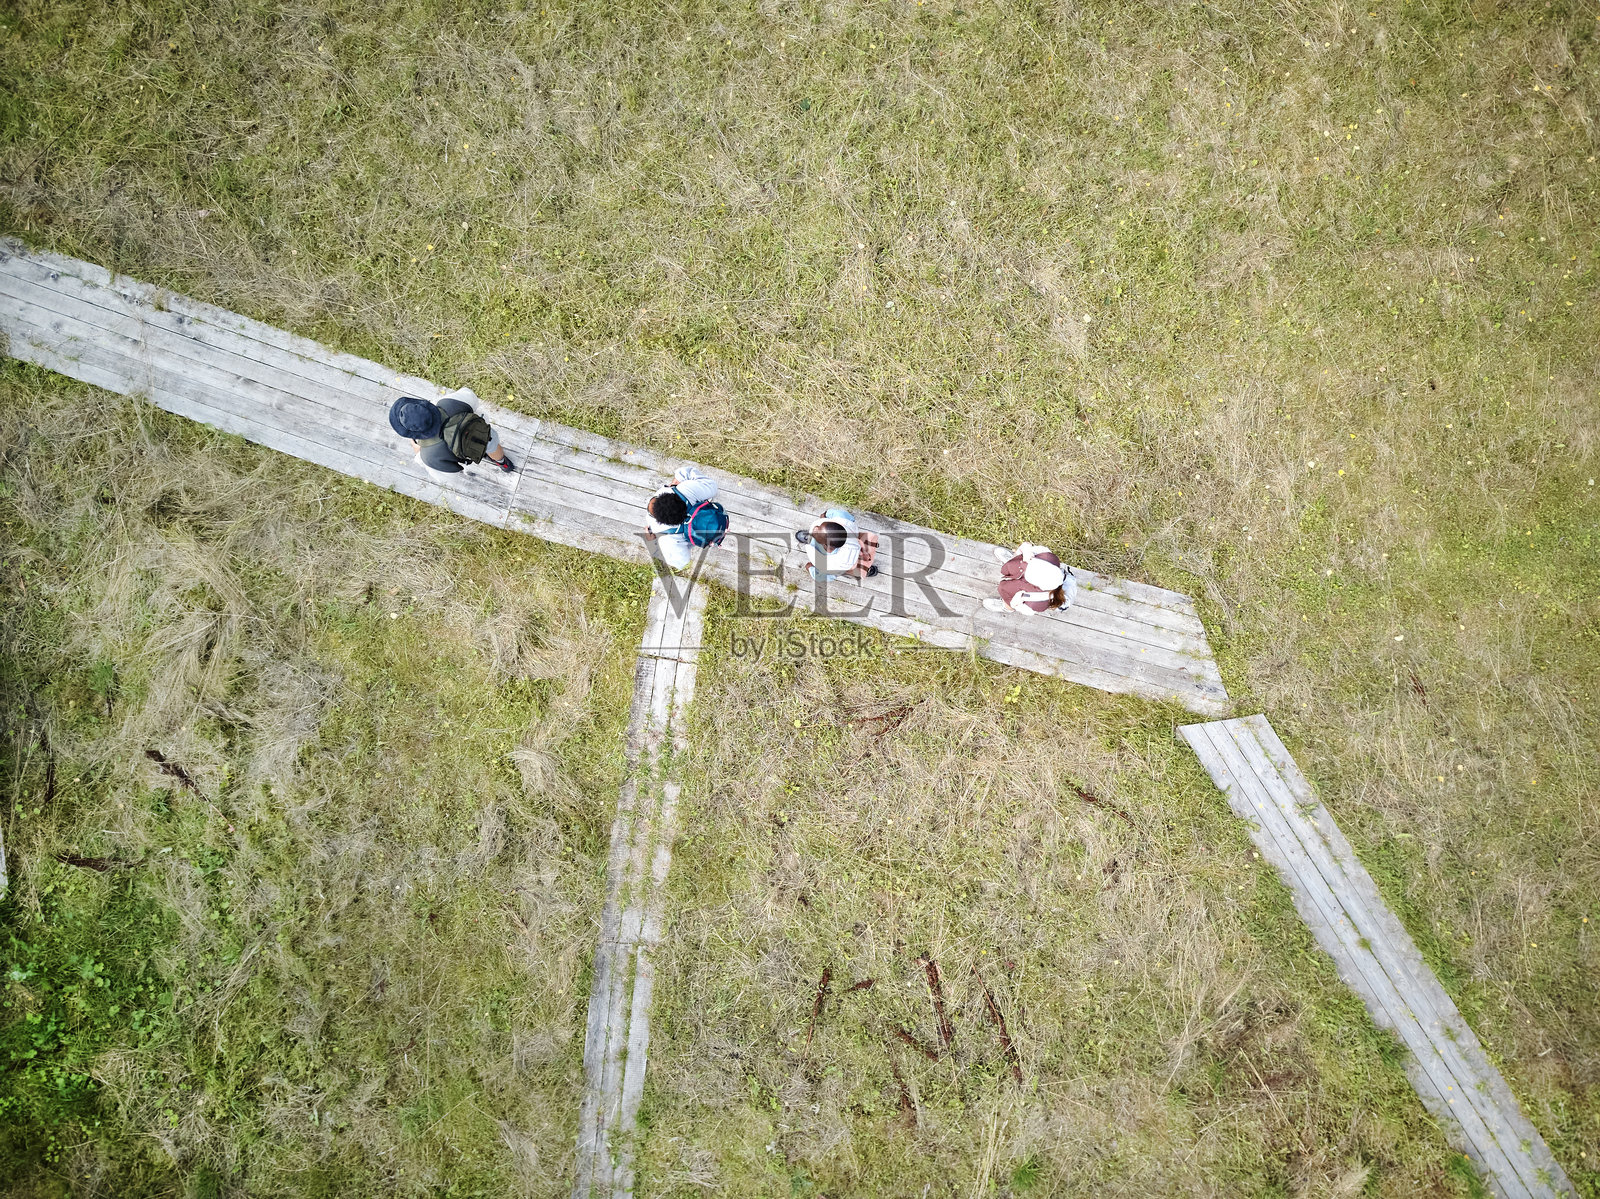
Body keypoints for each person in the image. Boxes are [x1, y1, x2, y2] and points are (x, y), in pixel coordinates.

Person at [388, 388, 516, 477]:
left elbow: (451, 470)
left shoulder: (428, 455)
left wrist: (418, 450)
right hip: (480, 432)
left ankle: (483, 455)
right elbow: (471, 397)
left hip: (464, 452)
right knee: (492, 445)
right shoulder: (449, 402)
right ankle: (502, 462)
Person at [643, 466, 727, 570]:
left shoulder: (665, 537)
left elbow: (682, 563)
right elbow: (712, 486)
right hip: (716, 515)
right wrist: (677, 480)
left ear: (660, 521)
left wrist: (652, 543)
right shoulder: (685, 490)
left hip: (705, 535)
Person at [982, 543, 1076, 614]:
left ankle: (1006, 608)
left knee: (1009, 598)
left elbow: (1028, 611)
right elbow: (1036, 549)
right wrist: (1026, 550)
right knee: (1018, 564)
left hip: (1022, 595)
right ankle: (1011, 559)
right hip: (1029, 566)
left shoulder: (1038, 603)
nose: (1025, 568)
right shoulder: (1048, 558)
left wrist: (1016, 604)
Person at [793, 508, 879, 580]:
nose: (815, 528)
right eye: (819, 526)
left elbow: (827, 576)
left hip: (848, 565)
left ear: (828, 548)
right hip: (857, 546)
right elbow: (844, 515)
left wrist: (811, 569)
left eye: (816, 533)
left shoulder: (827, 562)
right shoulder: (844, 520)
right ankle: (869, 569)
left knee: (844, 572)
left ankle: (865, 571)